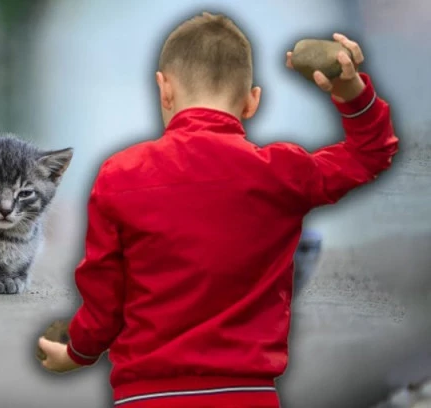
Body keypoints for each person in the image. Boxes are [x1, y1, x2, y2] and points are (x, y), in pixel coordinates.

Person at [37, 11, 399, 408]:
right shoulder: (283, 172)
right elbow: (371, 154)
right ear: (251, 101)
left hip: (145, 396)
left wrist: (78, 354)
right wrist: (352, 92)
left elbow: (104, 299)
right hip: (248, 396)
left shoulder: (119, 175)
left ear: (164, 90)